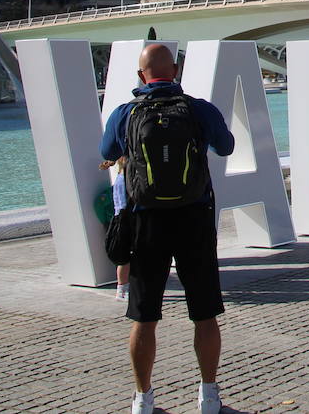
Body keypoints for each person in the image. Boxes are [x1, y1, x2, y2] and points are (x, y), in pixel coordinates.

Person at [101, 43, 235, 414]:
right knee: (204, 312)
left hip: (146, 220)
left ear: (140, 76)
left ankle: (143, 401)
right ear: (175, 71)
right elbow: (226, 147)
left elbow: (106, 151)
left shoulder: (125, 113)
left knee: (144, 316)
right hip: (194, 215)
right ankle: (209, 399)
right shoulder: (199, 109)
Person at [99, 156, 131, 301]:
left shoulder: (119, 178)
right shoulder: (126, 179)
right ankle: (123, 289)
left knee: (123, 259)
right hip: (127, 219)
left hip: (118, 219)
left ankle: (122, 288)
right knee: (127, 258)